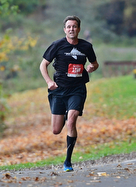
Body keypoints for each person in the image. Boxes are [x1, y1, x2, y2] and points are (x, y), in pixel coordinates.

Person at [40, 15, 99, 172]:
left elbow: (94, 63)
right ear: (65, 29)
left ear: (78, 29)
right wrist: (49, 82)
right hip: (59, 89)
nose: (72, 29)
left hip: (77, 89)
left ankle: (67, 161)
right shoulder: (57, 45)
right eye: (69, 27)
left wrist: (92, 68)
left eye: (74, 26)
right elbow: (43, 65)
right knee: (56, 130)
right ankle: (67, 114)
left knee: (71, 121)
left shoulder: (86, 46)